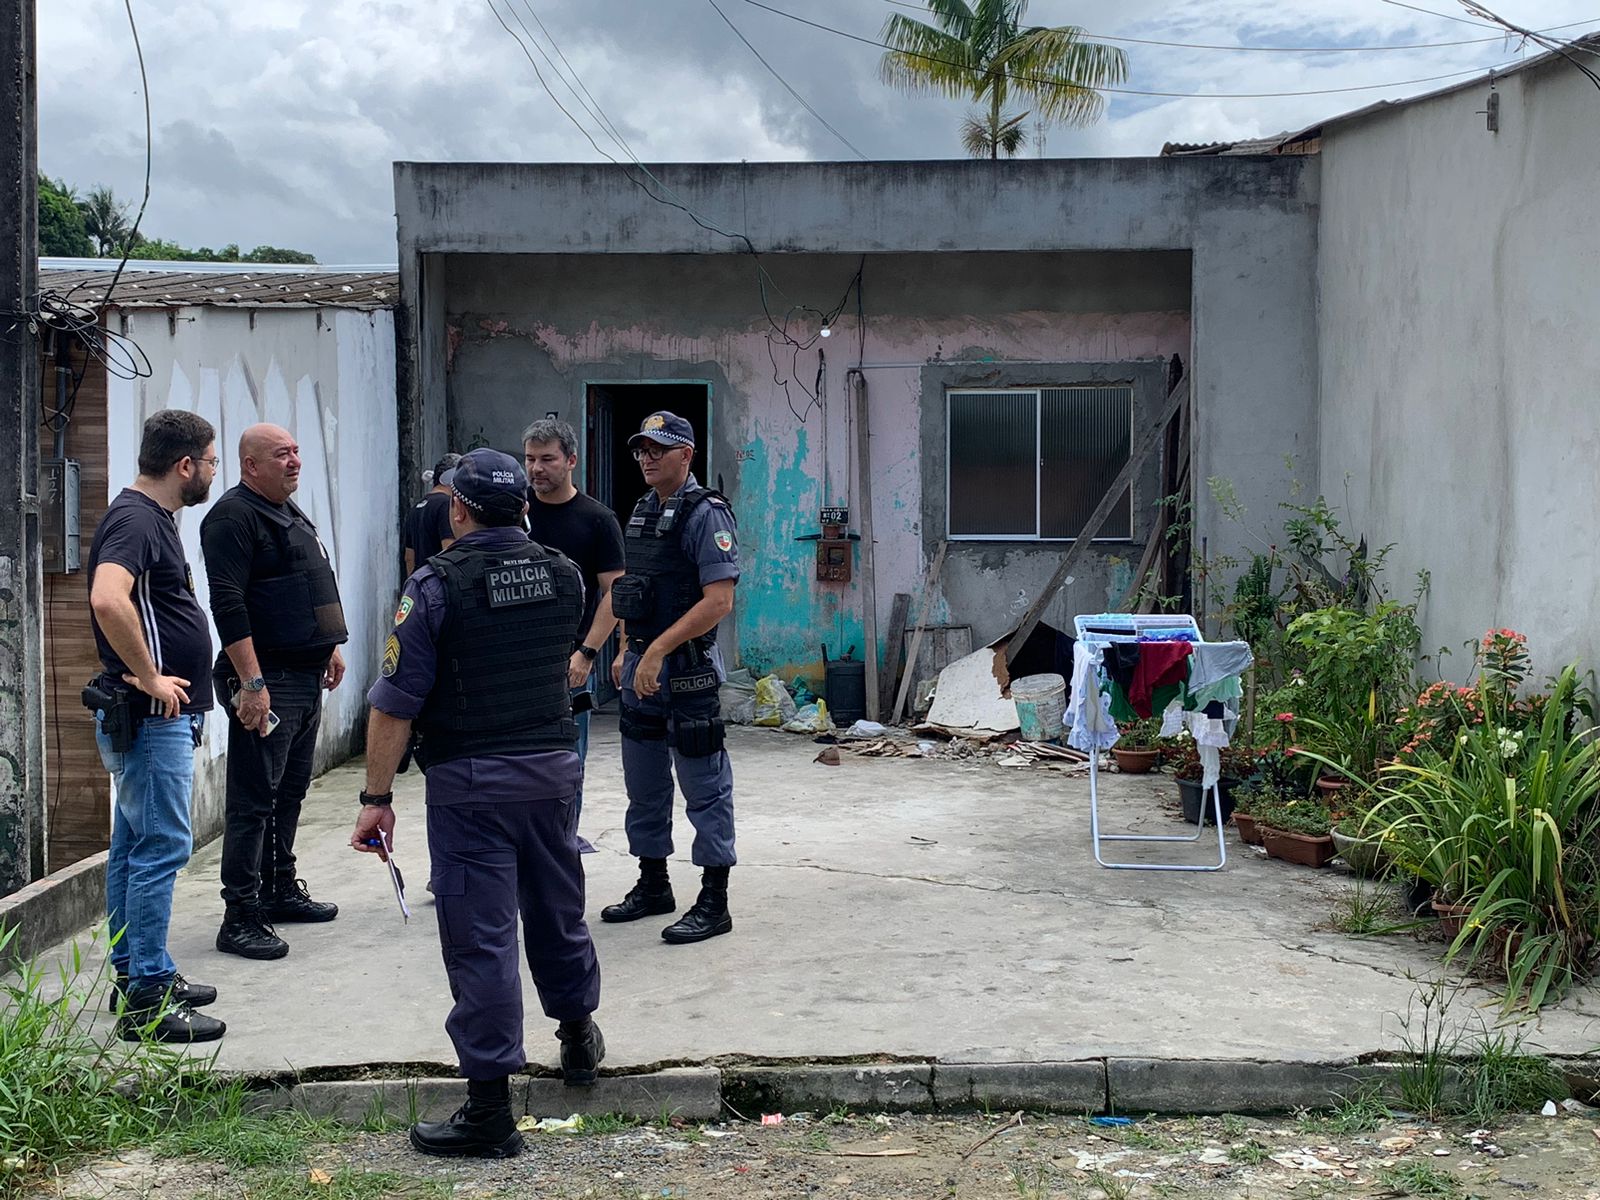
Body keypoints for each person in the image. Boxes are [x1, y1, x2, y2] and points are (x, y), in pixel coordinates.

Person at [350, 447, 604, 1159]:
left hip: (471, 785)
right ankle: (579, 1039)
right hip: (554, 772)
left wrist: (376, 796)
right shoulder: (563, 575)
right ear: (525, 506)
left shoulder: (433, 585)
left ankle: (490, 1112)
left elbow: (396, 704)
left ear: (457, 509)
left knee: (483, 937)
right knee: (557, 908)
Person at [86, 410, 226, 1043]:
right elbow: (108, 598)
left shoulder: (150, 517)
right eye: (211, 461)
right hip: (150, 715)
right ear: (185, 465)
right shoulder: (138, 519)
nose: (213, 472)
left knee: (135, 847)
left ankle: (141, 973)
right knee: (161, 848)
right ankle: (145, 997)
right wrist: (148, 675)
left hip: (155, 715)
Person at [200, 423, 348, 960]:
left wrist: (328, 645)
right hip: (269, 681)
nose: (294, 462)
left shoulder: (287, 511)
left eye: (297, 451)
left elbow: (304, 584)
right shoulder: (234, 517)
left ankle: (279, 889)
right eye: (281, 454)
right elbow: (229, 604)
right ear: (250, 465)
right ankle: (239, 916)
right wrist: (252, 683)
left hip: (304, 676)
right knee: (252, 801)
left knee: (290, 792)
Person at [602, 411, 740, 944]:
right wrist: (625, 649)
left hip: (687, 672)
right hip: (642, 664)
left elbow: (719, 601)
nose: (646, 458)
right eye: (641, 450)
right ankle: (653, 883)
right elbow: (633, 590)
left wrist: (658, 649)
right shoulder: (641, 510)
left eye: (659, 449)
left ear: (687, 455)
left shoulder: (708, 515)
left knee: (704, 786)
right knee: (645, 783)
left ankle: (714, 899)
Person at [522, 418, 625, 850]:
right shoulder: (514, 512)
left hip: (570, 663)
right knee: (511, 761)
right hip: (515, 660)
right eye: (529, 459)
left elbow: (614, 592)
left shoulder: (597, 520)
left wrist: (588, 654)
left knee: (567, 760)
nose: (536, 469)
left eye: (547, 459)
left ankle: (562, 842)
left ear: (571, 461)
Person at [404, 452, 460, 575]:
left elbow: (409, 558)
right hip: (440, 583)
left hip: (421, 584)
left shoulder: (415, 508)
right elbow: (449, 550)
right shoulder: (446, 504)